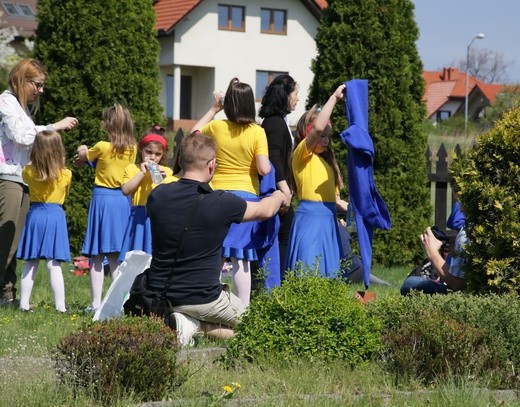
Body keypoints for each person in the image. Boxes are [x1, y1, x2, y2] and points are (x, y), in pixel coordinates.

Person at [146, 132, 285, 346]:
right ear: (212, 165)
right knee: (262, 330)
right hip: (203, 298)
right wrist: (278, 195)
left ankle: (187, 322)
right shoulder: (221, 202)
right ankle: (198, 326)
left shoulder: (157, 196)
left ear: (180, 160)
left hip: (158, 293)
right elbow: (265, 210)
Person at [0, 58, 78, 306]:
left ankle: (7, 293)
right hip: (7, 177)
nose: (41, 90)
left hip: (19, 178)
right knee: (5, 241)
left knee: (12, 243)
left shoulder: (20, 108)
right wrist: (55, 126)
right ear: (23, 81)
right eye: (38, 84)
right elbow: (22, 137)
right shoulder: (6, 102)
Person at [190, 77, 271, 307]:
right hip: (246, 198)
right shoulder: (257, 131)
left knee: (215, 254)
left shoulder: (216, 127)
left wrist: (214, 109)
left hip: (216, 195)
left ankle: (210, 303)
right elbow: (264, 167)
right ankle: (243, 309)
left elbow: (193, 134)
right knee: (241, 257)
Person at [74, 103, 137, 312]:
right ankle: (118, 303)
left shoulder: (101, 146)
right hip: (121, 201)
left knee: (97, 256)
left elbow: (85, 157)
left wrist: (82, 150)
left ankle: (95, 303)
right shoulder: (132, 149)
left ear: (108, 125)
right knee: (115, 256)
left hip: (102, 200)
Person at [285, 84, 349, 277]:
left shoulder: (328, 163)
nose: (325, 139)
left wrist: (358, 212)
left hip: (328, 222)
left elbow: (336, 201)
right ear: (308, 133)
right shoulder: (302, 154)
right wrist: (334, 99)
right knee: (308, 273)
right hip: (310, 222)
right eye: (320, 135)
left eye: (327, 136)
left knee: (328, 275)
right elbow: (318, 126)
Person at [16, 131, 71, 312]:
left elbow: (27, 173)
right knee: (53, 263)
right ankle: (60, 306)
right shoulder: (66, 174)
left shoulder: (28, 172)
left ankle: (23, 304)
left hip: (36, 214)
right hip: (55, 216)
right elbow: (66, 192)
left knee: (31, 262)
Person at [258, 74, 299, 283]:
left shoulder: (277, 121)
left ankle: (276, 285)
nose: (297, 98)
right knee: (279, 240)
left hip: (279, 190)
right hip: (275, 192)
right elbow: (273, 158)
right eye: (295, 93)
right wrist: (284, 189)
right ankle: (274, 287)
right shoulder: (274, 123)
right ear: (285, 96)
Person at [119, 127, 173, 262]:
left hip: (159, 218)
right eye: (148, 152)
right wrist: (141, 173)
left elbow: (172, 197)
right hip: (139, 216)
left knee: (155, 258)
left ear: (163, 155)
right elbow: (125, 190)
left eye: (157, 154)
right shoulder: (133, 168)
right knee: (134, 259)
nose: (152, 157)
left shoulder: (166, 171)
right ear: (141, 150)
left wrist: (166, 180)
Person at [401, 222, 467, 295]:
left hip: (465, 292)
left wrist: (432, 252)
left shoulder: (470, 225)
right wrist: (458, 247)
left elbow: (457, 285)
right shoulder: (474, 224)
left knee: (409, 283)